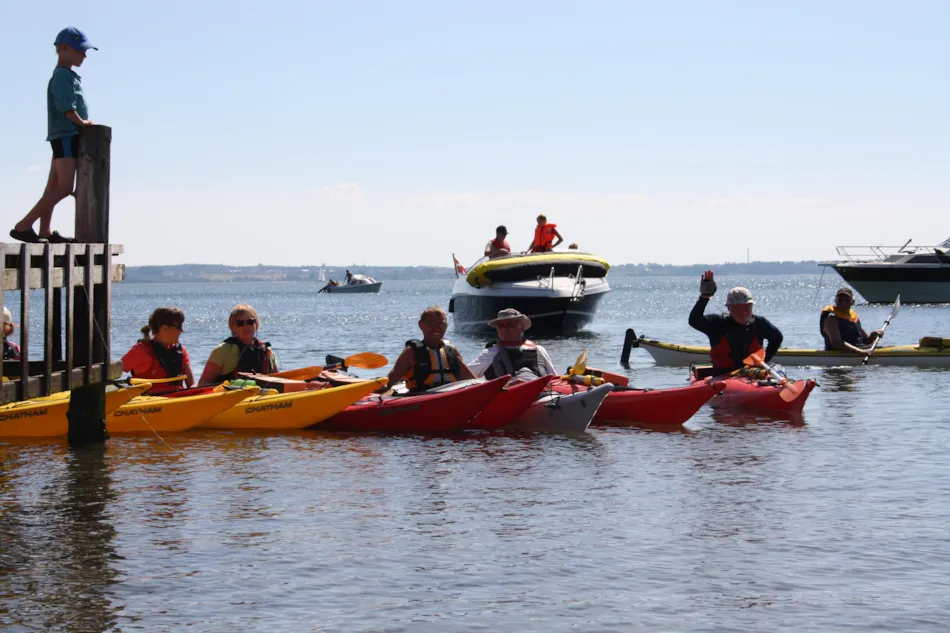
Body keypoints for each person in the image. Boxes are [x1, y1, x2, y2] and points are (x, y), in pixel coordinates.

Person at [10, 27, 98, 245]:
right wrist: (82, 123)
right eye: (80, 50)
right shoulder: (61, 76)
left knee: (54, 185)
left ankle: (44, 231)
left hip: (64, 136)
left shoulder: (68, 75)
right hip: (66, 135)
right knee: (66, 186)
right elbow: (66, 107)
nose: (84, 55)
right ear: (64, 49)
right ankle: (23, 226)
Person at [688, 270, 783, 375]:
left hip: (752, 374)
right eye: (738, 308)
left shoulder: (760, 323)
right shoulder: (717, 323)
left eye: (746, 307)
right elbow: (694, 320)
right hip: (723, 376)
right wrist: (704, 297)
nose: (743, 312)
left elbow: (777, 338)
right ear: (729, 308)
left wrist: (764, 360)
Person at [380, 306, 476, 392]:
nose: (437, 328)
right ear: (421, 325)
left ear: (446, 326)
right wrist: (378, 388)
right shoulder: (411, 351)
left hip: (449, 394)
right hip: (420, 396)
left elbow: (469, 378)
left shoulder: (451, 350)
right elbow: (390, 380)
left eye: (442, 324)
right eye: (432, 323)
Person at [468, 308, 558, 381]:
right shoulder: (490, 352)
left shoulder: (538, 350)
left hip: (542, 395)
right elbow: (464, 376)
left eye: (509, 324)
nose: (504, 329)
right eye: (500, 326)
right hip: (508, 397)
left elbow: (554, 378)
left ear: (521, 327)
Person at [199, 304, 278, 385]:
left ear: (256, 324)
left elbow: (278, 380)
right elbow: (203, 383)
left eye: (250, 322)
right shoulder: (222, 350)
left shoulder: (267, 352)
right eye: (240, 323)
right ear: (232, 327)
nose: (246, 326)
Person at [121, 308, 194, 394]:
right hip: (150, 403)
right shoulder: (142, 350)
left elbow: (192, 385)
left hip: (177, 400)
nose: (182, 331)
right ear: (164, 328)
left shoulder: (182, 351)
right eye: (179, 327)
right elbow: (114, 372)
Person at [820, 287, 884, 354]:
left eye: (847, 300)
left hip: (860, 349)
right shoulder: (831, 320)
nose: (843, 303)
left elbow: (866, 341)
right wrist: (861, 351)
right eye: (840, 300)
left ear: (852, 302)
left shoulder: (852, 318)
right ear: (835, 301)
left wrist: (873, 335)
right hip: (839, 355)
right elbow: (836, 343)